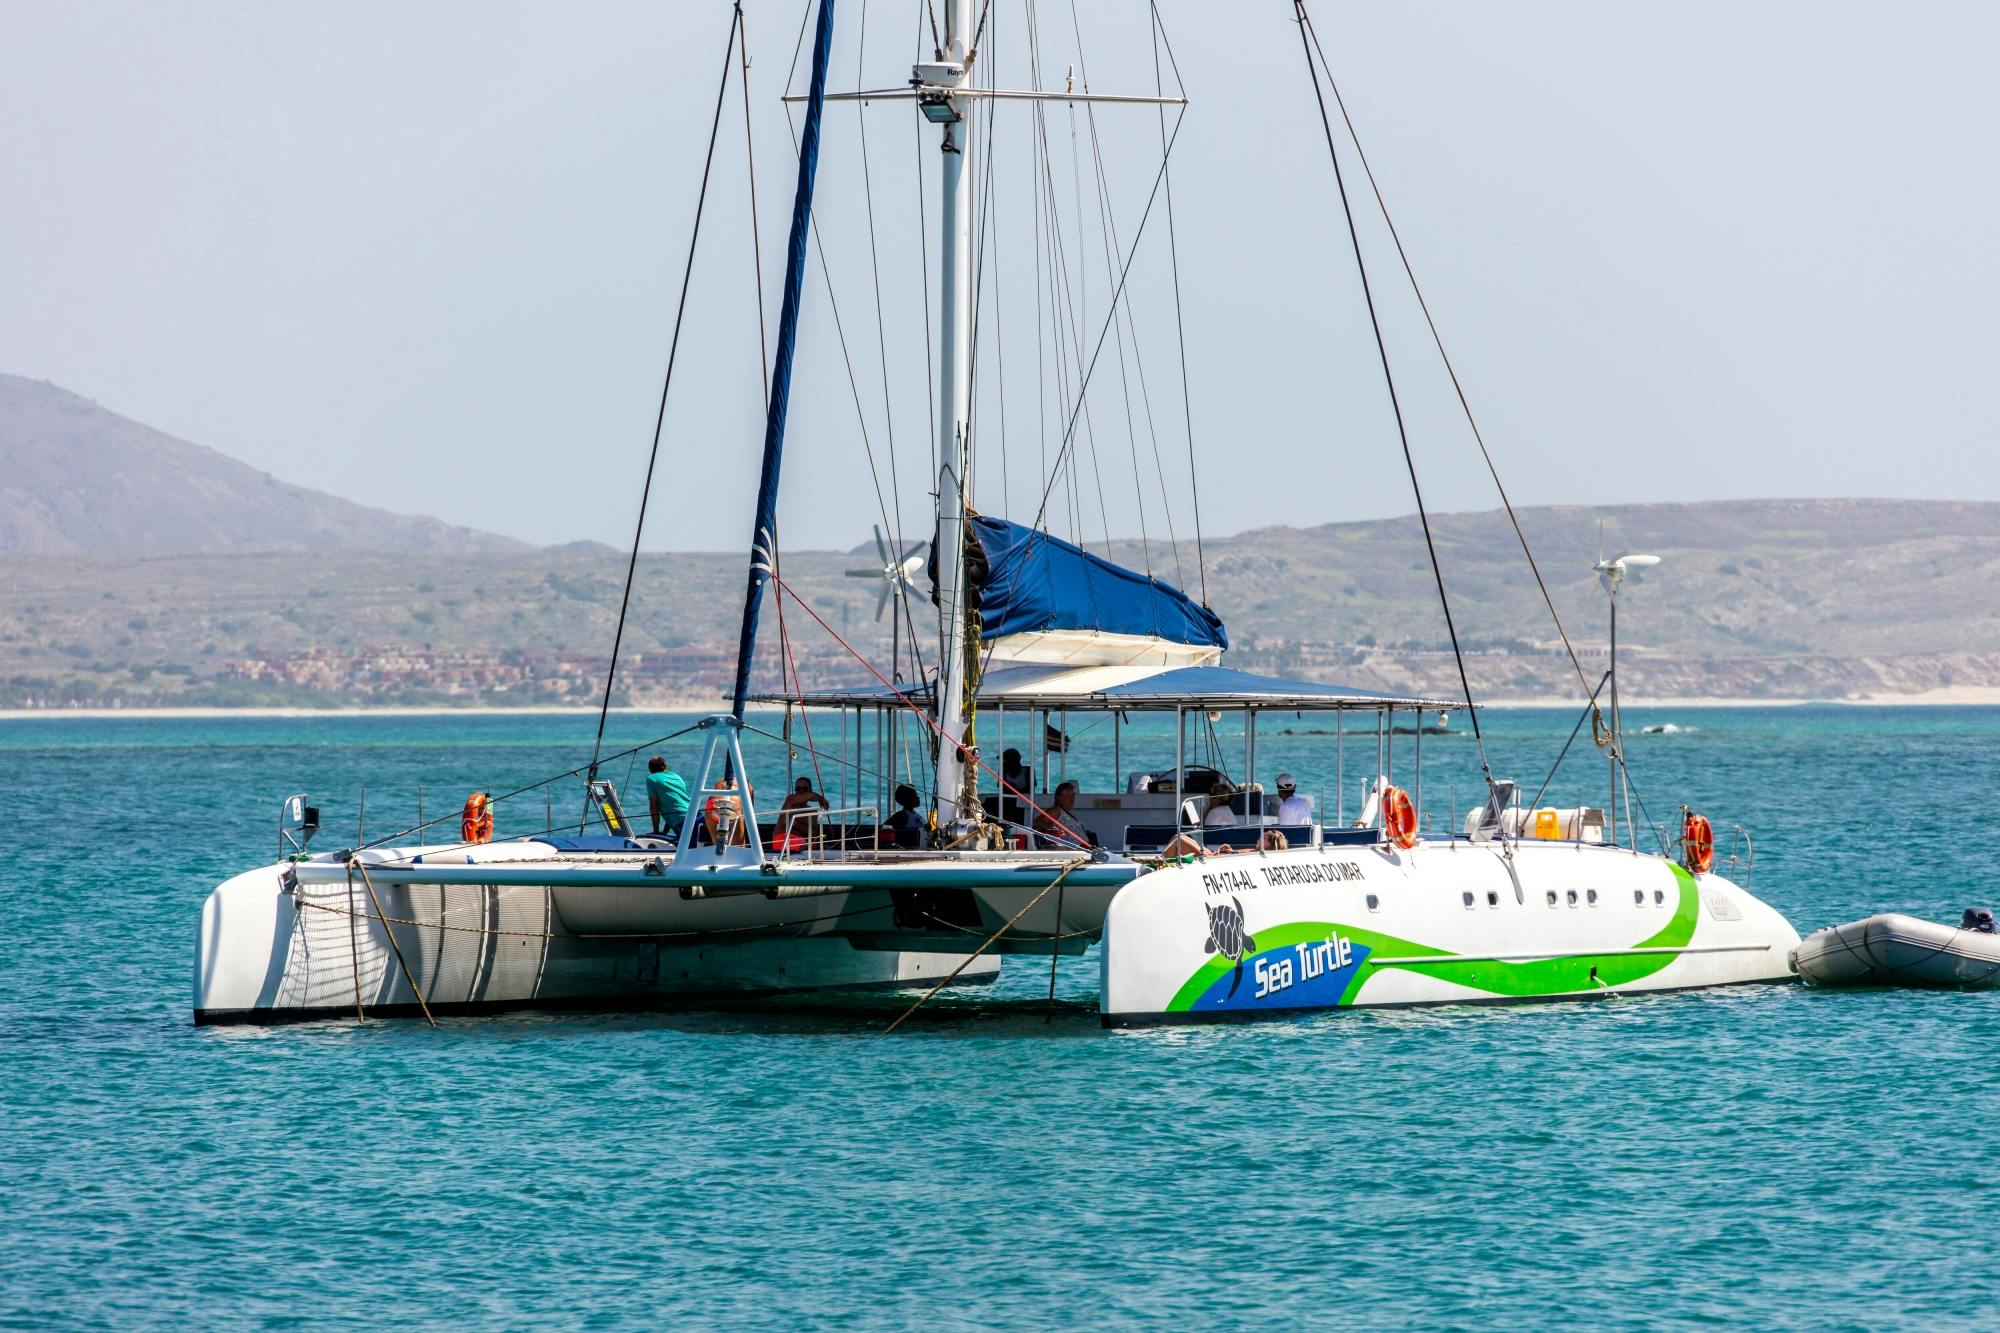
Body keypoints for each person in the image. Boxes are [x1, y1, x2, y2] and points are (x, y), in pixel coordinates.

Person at [1033, 780, 1091, 849]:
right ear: (1059, 797)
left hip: (1083, 849)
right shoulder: (1056, 810)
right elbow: (1038, 821)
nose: (1072, 798)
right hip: (1071, 851)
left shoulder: (1067, 813)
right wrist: (1053, 830)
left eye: (1073, 795)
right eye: (1068, 795)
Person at [777, 776, 829, 846]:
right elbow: (810, 796)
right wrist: (820, 798)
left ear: (810, 790)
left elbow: (813, 833)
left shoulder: (813, 812)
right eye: (798, 789)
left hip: (802, 843)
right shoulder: (789, 802)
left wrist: (797, 825)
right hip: (782, 840)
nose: (801, 791)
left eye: (804, 789)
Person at [645, 756, 690, 838]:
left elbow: (654, 808)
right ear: (665, 766)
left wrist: (656, 831)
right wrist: (665, 831)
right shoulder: (677, 777)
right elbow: (675, 804)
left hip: (682, 824)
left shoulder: (651, 779)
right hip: (696, 816)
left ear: (650, 769)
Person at [886, 783, 927, 849]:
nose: (918, 797)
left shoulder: (914, 814)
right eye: (915, 795)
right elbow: (885, 828)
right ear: (908, 798)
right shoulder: (901, 816)